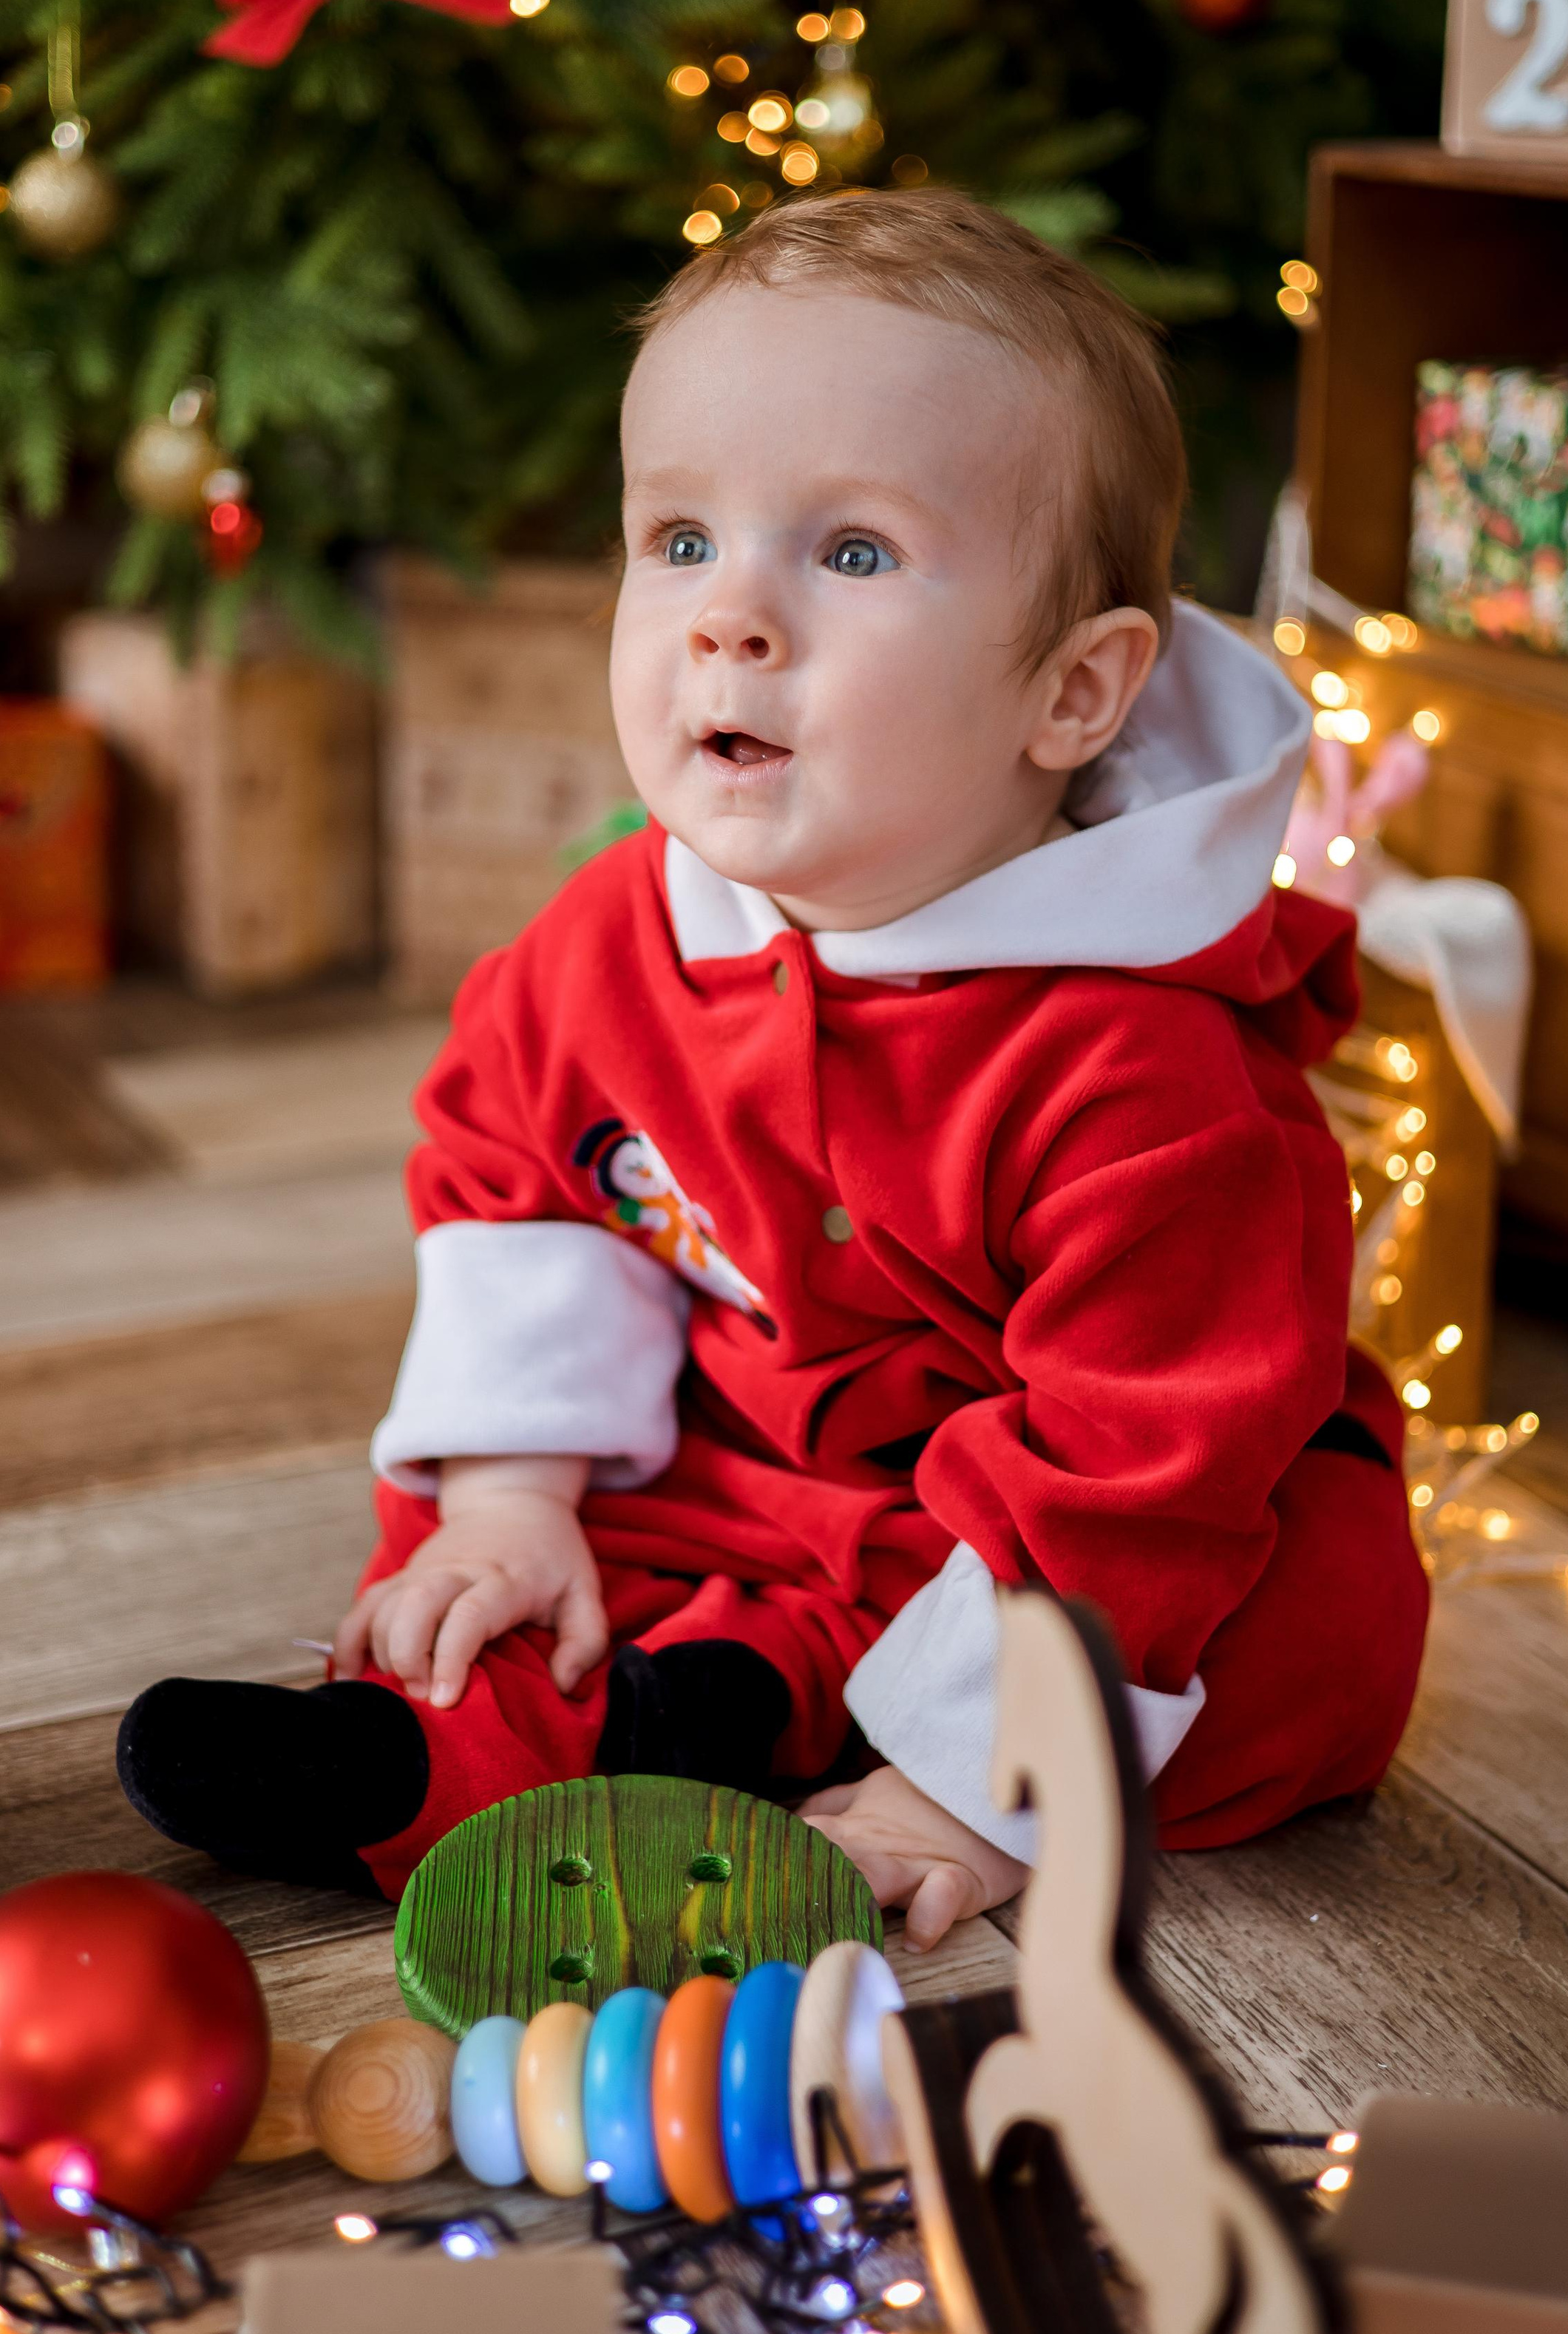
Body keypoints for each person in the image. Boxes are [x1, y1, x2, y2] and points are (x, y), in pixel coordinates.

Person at [118, 189, 1427, 1949]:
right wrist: (511, 1501)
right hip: (748, 1453)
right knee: (555, 1555)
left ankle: (805, 1730)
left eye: (853, 553)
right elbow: (522, 1182)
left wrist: (974, 1778)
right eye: (675, 542)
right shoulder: (612, 940)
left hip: (1085, 1518)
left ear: (1072, 693)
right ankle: (504, 1742)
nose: (727, 618)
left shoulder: (1146, 1080)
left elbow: (1144, 1465)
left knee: (1316, 1628)